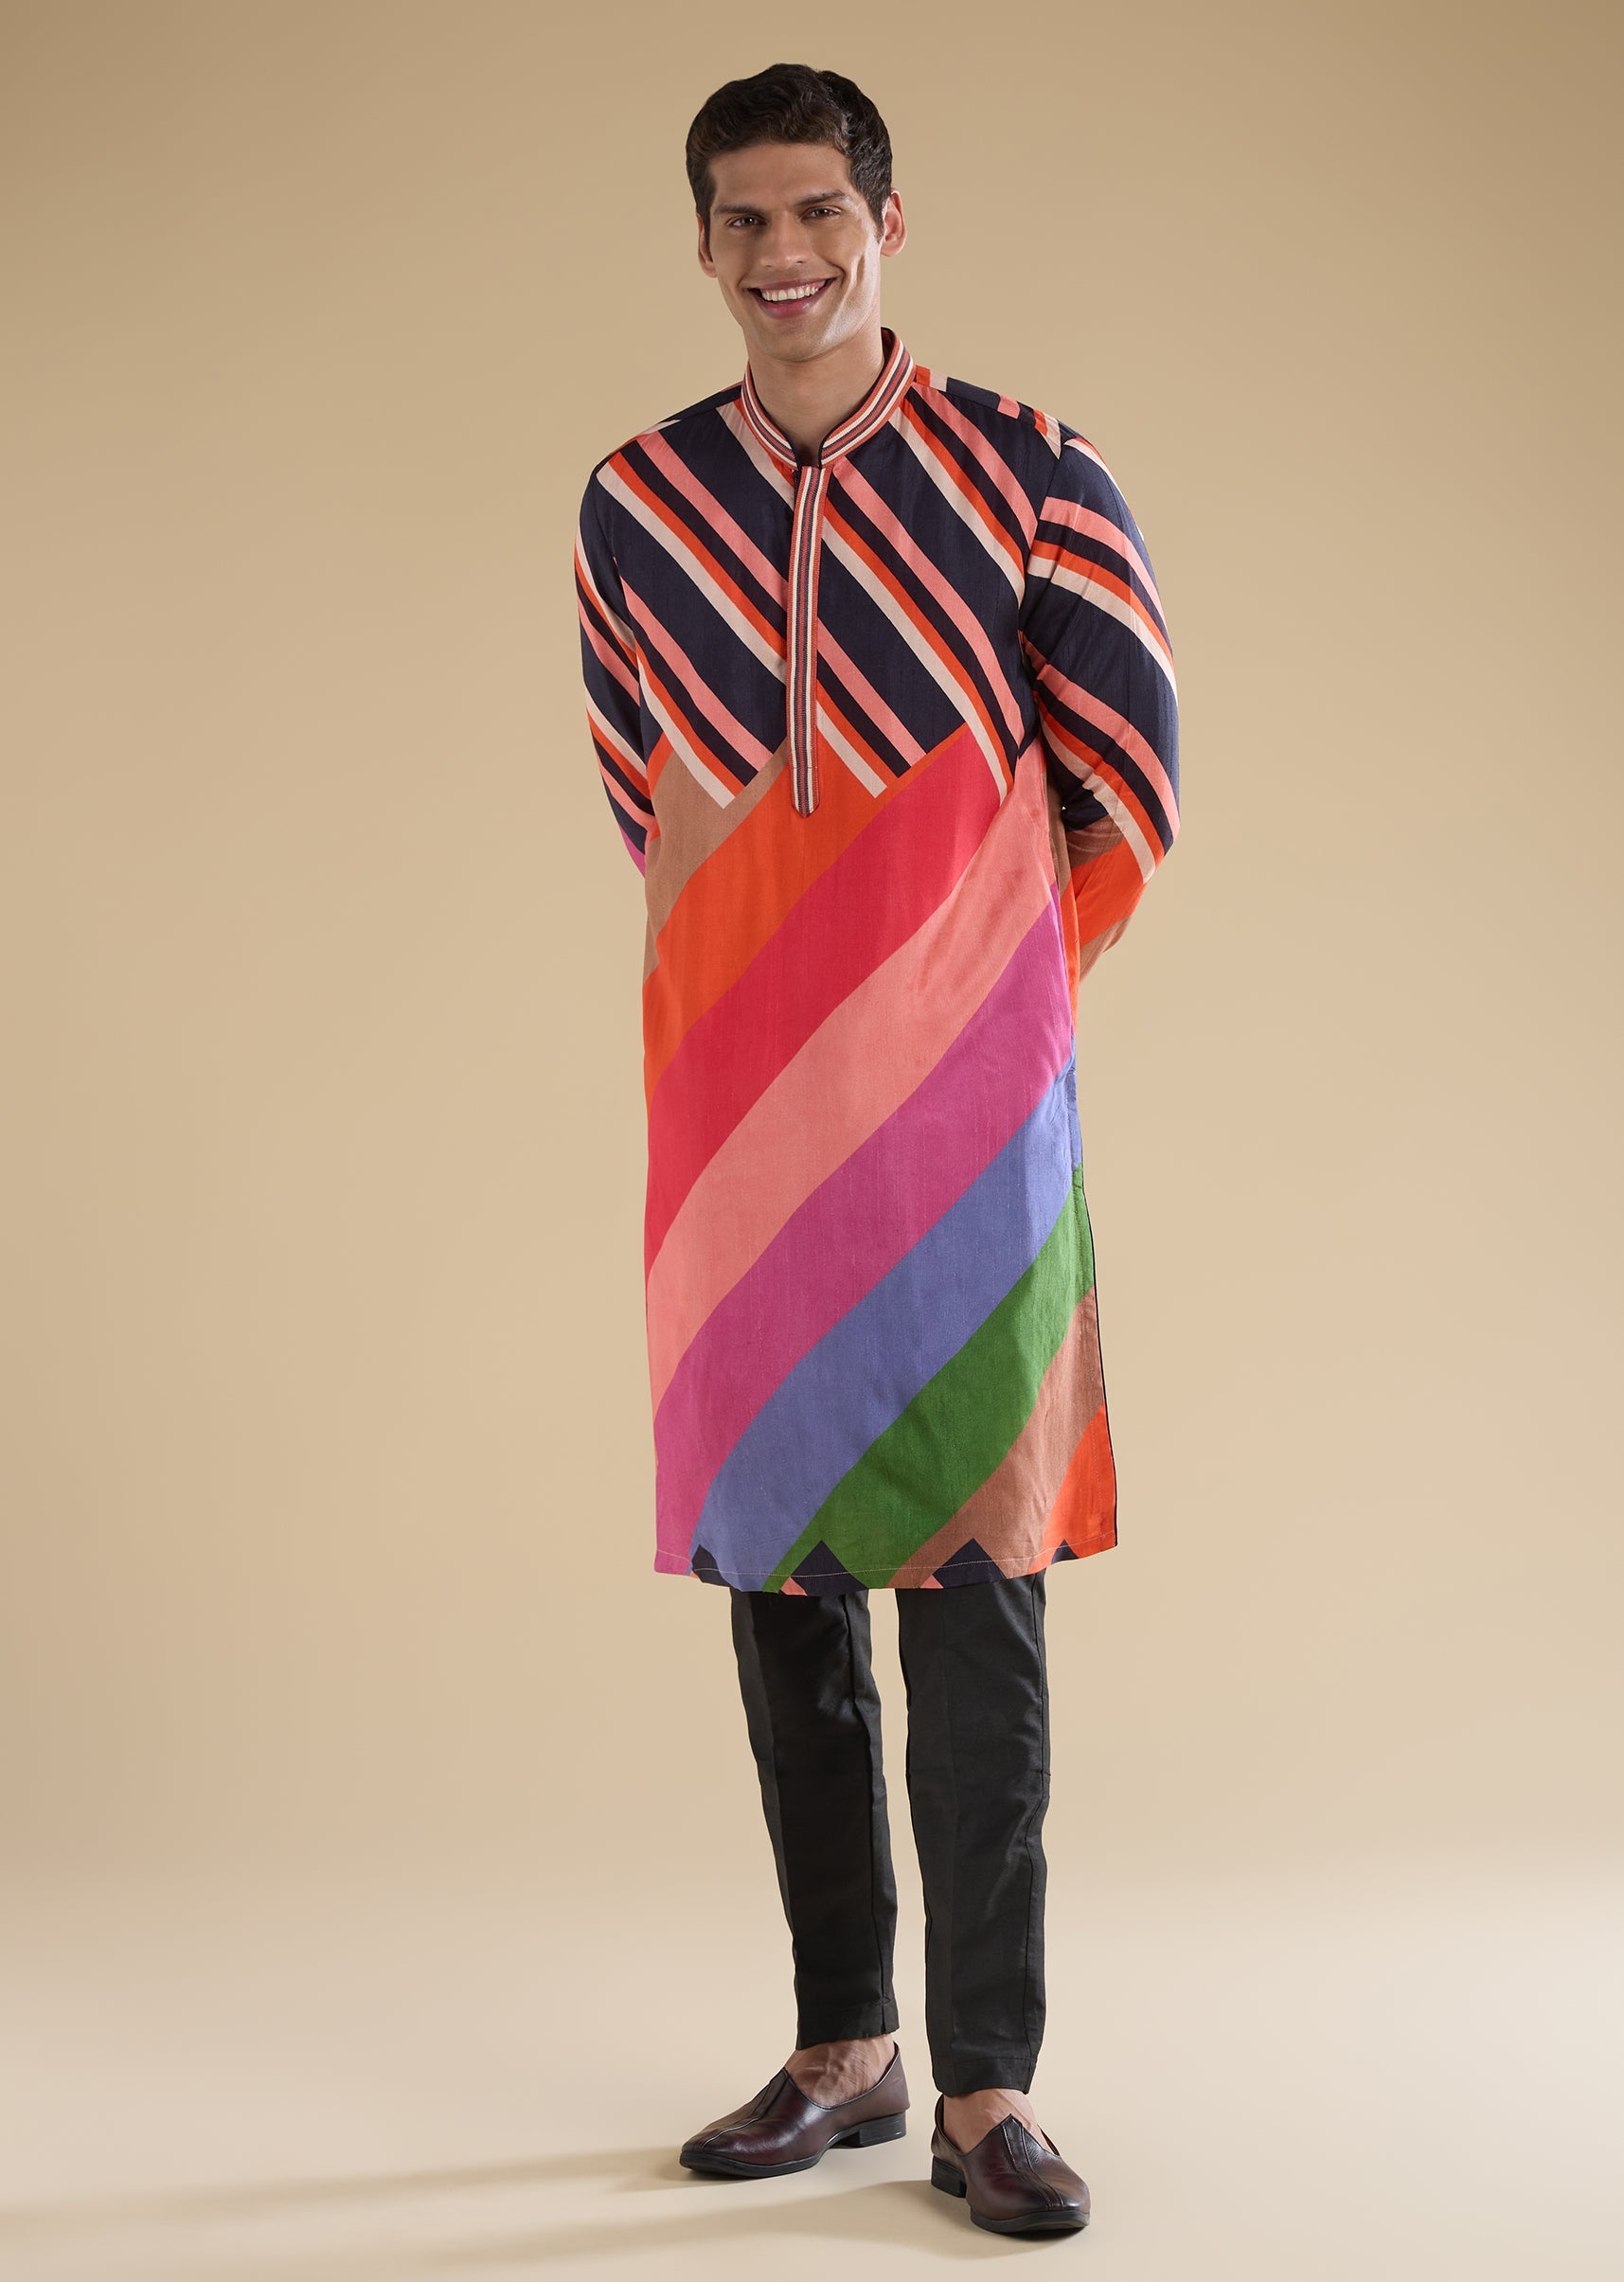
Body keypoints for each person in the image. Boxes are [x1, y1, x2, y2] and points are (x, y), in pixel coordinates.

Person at [574, 61, 1179, 2238]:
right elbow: (645, 792)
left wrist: (966, 1005)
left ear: (887, 226)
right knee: (783, 1590)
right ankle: (847, 2046)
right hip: (734, 1115)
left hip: (969, 1124)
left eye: (818, 210)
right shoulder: (635, 502)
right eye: (744, 218)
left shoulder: (1031, 469)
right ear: (704, 242)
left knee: (980, 1585)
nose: (784, 253)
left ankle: (991, 2079)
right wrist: (775, 996)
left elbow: (1130, 777)